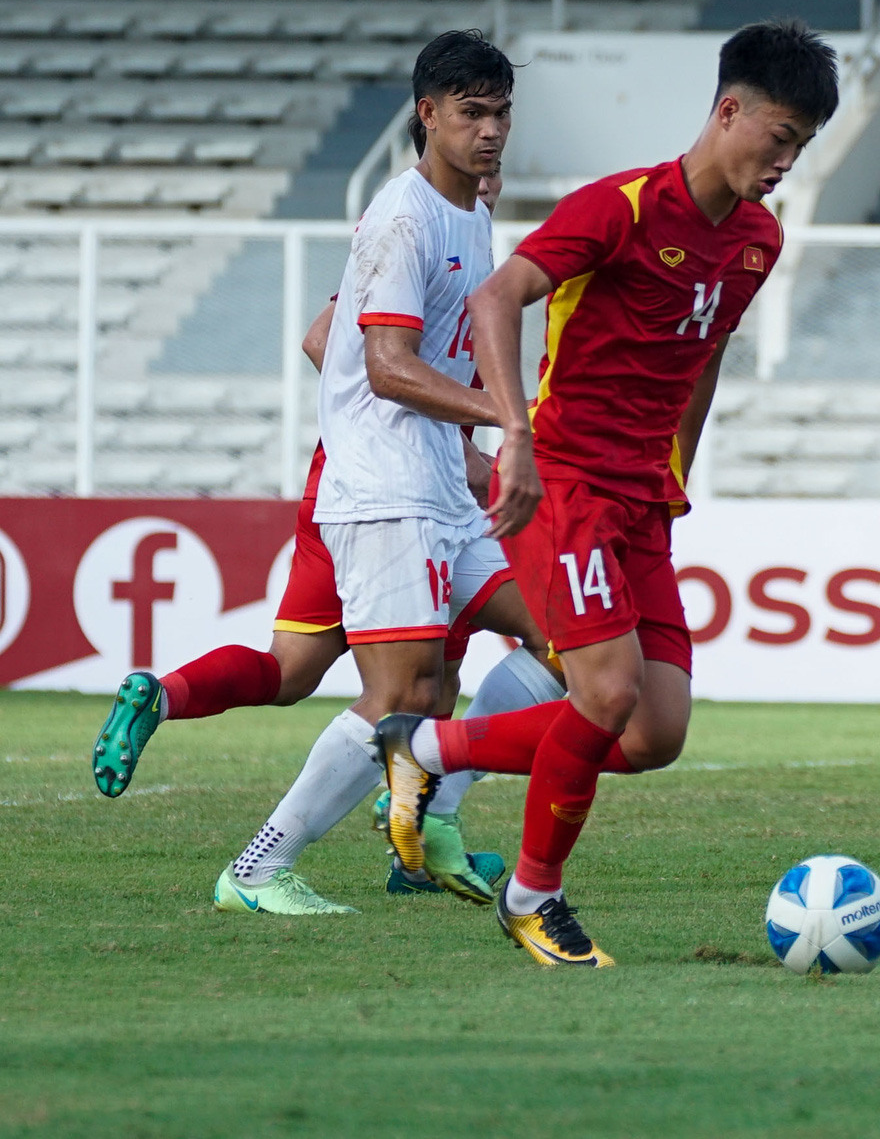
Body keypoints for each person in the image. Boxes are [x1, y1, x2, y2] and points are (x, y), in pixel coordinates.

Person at [376, 19, 840, 967]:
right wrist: (512, 436)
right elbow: (497, 297)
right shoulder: (621, 206)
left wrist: (681, 465)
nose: (787, 160)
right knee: (606, 689)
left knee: (653, 732)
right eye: (781, 136)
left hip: (642, 500)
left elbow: (703, 356)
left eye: (802, 145)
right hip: (568, 480)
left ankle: (428, 750)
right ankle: (532, 896)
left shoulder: (759, 239)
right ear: (728, 111)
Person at [90, 169, 559, 913]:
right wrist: (473, 427)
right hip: (389, 491)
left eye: (501, 124)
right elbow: (351, 349)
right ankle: (285, 859)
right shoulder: (418, 227)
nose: (491, 158)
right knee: (416, 684)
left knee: (299, 668)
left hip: (389, 483)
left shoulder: (467, 228)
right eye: (477, 122)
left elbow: (331, 339)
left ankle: (170, 695)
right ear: (435, 123)